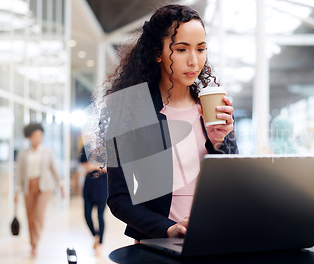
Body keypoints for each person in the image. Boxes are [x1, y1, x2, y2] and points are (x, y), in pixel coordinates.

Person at [99, 4, 238, 242]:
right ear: (157, 52)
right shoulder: (130, 112)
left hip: (213, 237)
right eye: (182, 49)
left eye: (201, 49)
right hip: (158, 242)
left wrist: (219, 142)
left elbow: (234, 184)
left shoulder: (212, 109)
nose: (194, 61)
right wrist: (167, 228)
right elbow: (119, 199)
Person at [15, 123, 65, 256]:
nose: (38, 138)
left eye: (40, 136)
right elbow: (19, 173)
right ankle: (32, 242)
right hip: (28, 186)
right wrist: (16, 190)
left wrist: (60, 184)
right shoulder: (23, 153)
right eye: (36, 136)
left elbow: (53, 169)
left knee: (39, 215)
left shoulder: (47, 151)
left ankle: (36, 243)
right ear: (30, 137)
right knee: (30, 216)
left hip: (45, 187)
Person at [79, 146, 107, 252]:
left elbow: (111, 168)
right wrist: (100, 167)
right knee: (87, 215)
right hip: (89, 187)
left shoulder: (108, 147)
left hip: (102, 187)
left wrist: (93, 166)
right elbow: (84, 165)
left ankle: (100, 242)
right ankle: (96, 235)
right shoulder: (86, 147)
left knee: (100, 216)